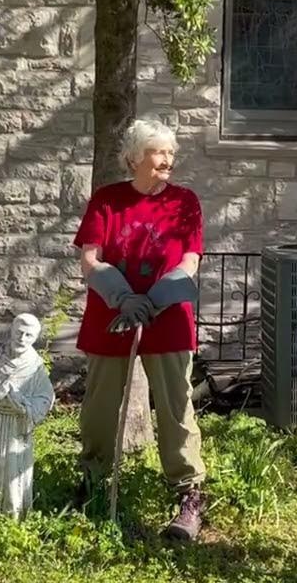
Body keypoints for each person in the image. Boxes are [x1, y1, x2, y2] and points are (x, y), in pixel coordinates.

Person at [72, 117, 207, 541]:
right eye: (158, 152)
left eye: (170, 152)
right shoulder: (107, 200)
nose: (168, 160)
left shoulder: (185, 201)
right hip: (111, 318)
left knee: (175, 407)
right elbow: (90, 259)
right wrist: (122, 298)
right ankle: (94, 483)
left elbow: (190, 261)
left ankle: (189, 494)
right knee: (99, 407)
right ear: (135, 157)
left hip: (168, 320)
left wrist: (154, 300)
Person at [0, 313, 55, 520]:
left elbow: (46, 398)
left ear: (35, 338)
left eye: (28, 335)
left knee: (13, 478)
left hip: (17, 431)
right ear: (11, 331)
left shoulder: (35, 368)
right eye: (19, 333)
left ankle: (12, 521)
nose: (22, 339)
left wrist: (23, 404)